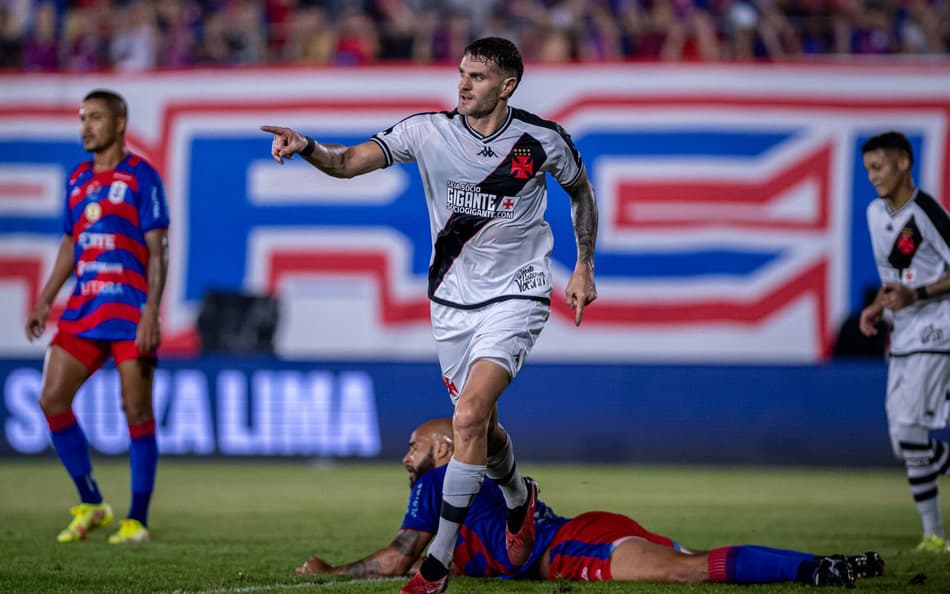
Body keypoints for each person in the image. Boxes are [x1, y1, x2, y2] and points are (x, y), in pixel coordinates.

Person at [261, 37, 598, 593]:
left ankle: (436, 566)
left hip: (519, 293)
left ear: (507, 85)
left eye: (478, 77)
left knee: (466, 418)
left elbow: (581, 195)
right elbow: (346, 163)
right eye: (461, 74)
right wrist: (307, 146)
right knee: (481, 427)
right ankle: (519, 500)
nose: (463, 85)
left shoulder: (541, 141)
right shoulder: (428, 131)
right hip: (451, 305)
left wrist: (583, 265)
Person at [295, 418, 884, 588]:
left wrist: (329, 572)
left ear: (444, 449)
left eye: (414, 446)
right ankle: (819, 563)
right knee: (694, 560)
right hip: (586, 526)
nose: (406, 456)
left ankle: (815, 569)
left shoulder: (437, 480)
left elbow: (399, 558)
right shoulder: (454, 478)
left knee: (687, 572)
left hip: (573, 546)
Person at [24, 89, 169, 544]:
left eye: (96, 117)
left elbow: (157, 250)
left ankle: (137, 519)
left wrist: (151, 311)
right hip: (85, 309)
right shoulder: (77, 179)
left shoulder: (142, 176)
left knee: (136, 409)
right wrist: (47, 298)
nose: (86, 126)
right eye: (82, 118)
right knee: (51, 399)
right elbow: (71, 243)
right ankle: (91, 502)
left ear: (120, 122)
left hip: (129, 310)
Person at [859, 130, 950, 554]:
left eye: (879, 166)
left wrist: (920, 295)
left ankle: (934, 534)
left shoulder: (928, 211)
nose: (873, 176)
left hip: (937, 329)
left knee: (913, 431)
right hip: (903, 333)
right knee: (902, 440)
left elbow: (922, 283)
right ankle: (933, 535)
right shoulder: (877, 215)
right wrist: (878, 306)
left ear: (904, 162)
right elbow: (895, 276)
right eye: (868, 169)